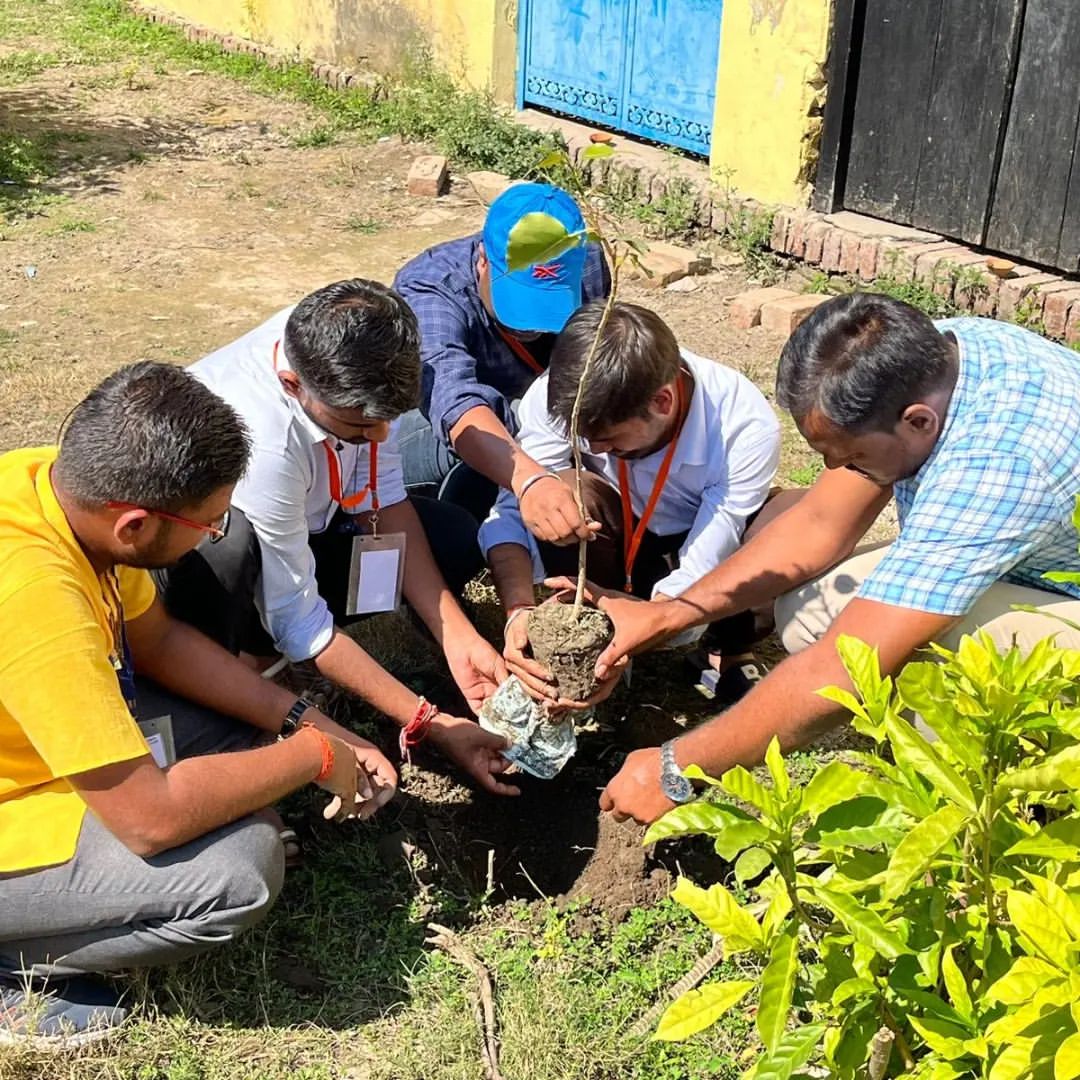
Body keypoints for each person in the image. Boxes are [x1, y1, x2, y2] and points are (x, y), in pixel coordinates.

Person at [0, 363, 397, 1046]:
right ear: (133, 526)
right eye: (209, 524)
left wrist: (305, 722)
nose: (217, 534)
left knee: (242, 747)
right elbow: (151, 820)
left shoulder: (53, 487)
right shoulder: (37, 600)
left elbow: (157, 641)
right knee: (238, 871)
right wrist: (313, 756)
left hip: (33, 749)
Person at [592, 294, 1080, 823]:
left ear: (917, 422)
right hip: (1034, 561)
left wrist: (676, 766)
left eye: (853, 457)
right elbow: (819, 524)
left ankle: (985, 806)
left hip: (1063, 593)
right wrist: (669, 613)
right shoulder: (935, 357)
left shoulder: (996, 467)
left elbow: (846, 663)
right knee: (811, 609)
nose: (835, 469)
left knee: (926, 654)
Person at [160, 279, 518, 799]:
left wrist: (457, 637)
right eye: (358, 429)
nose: (380, 437)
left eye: (386, 421)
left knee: (454, 537)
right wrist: (429, 721)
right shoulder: (261, 443)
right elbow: (299, 619)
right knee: (231, 548)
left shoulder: (359, 354)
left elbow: (384, 495)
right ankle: (244, 667)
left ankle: (280, 655)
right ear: (293, 385)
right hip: (216, 554)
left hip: (311, 521)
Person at [478, 301, 781, 705]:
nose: (594, 449)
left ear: (662, 402)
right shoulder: (559, 397)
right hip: (615, 539)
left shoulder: (742, 427)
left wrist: (651, 625)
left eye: (609, 439)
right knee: (563, 489)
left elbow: (706, 558)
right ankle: (591, 641)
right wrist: (517, 610)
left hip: (695, 552)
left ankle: (725, 647)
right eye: (584, 440)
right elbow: (513, 509)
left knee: (784, 524)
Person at [392, 182, 610, 528]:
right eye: (519, 299)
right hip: (437, 429)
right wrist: (531, 481)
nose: (533, 326)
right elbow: (453, 402)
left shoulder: (589, 263)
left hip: (542, 418)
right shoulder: (430, 289)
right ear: (483, 261)